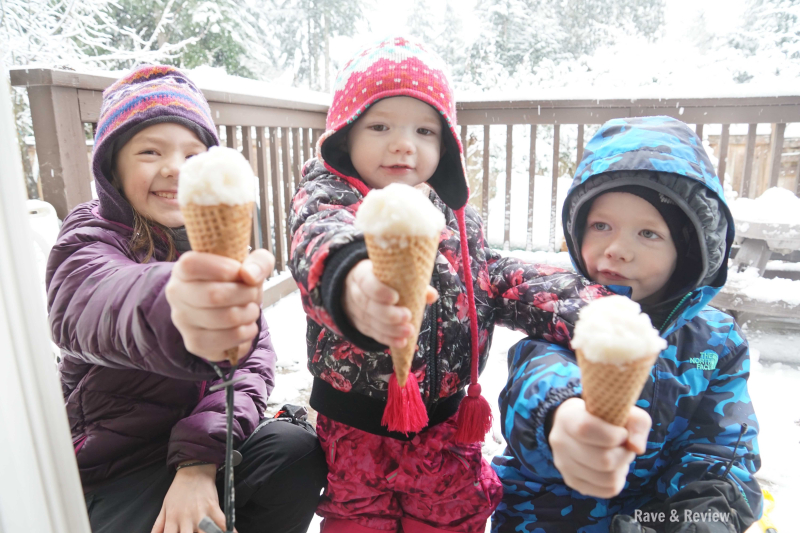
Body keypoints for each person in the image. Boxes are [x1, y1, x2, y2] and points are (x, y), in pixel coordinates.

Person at [288, 36, 612, 533]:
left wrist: (588, 308)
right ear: (345, 136)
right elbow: (319, 237)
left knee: (451, 515)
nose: (404, 143)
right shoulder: (328, 199)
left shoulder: (459, 221)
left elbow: (498, 277)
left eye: (425, 129)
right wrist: (353, 279)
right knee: (357, 518)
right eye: (380, 126)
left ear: (446, 145)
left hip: (446, 421)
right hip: (355, 425)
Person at [46, 65, 326, 533]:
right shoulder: (89, 239)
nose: (175, 168)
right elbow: (94, 304)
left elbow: (252, 359)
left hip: (199, 451)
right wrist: (177, 303)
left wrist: (198, 460)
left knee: (294, 453)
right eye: (150, 151)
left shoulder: (212, 245)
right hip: (115, 472)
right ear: (112, 165)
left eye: (193, 155)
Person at [492, 116, 762, 533]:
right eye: (602, 226)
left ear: (688, 250)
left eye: (648, 234)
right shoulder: (558, 313)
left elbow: (720, 457)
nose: (617, 249)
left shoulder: (718, 343)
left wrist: (688, 524)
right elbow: (534, 385)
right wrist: (561, 418)